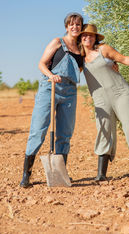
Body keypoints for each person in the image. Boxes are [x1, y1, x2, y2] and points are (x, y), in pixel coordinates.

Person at [78, 24, 129, 181]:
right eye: (84, 35)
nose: (87, 38)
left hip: (120, 93)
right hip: (100, 99)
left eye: (90, 35)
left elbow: (123, 59)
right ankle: (101, 174)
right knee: (103, 131)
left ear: (95, 37)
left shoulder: (103, 49)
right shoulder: (80, 58)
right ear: (80, 38)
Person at [20, 12, 84, 188]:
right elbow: (41, 64)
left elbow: (79, 69)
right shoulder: (57, 42)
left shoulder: (81, 49)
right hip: (50, 88)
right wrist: (52, 75)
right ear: (66, 27)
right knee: (39, 129)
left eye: (78, 24)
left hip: (70, 91)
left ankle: (60, 174)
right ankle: (27, 174)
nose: (75, 27)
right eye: (72, 24)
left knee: (65, 133)